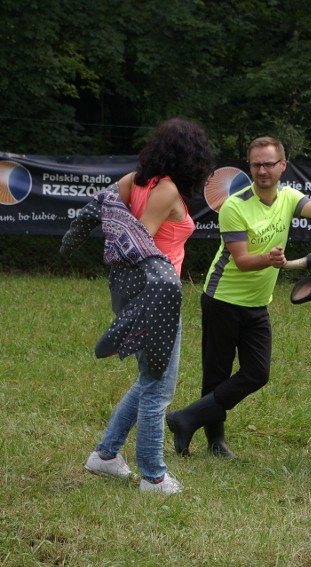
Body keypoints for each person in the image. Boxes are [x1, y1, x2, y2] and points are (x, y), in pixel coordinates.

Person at [166, 136, 311, 458]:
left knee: (257, 373)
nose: (262, 170)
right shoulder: (235, 206)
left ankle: (186, 418)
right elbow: (241, 260)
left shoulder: (289, 197)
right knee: (217, 372)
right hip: (222, 298)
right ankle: (215, 441)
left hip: (257, 303)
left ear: (282, 165)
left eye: (268, 164)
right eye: (256, 165)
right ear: (249, 167)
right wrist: (268, 259)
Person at [75, 118, 215, 493]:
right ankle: (153, 476)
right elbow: (140, 241)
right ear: (191, 157)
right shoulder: (166, 190)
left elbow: (102, 206)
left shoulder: (135, 180)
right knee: (159, 390)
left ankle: (106, 456)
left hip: (134, 294)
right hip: (156, 298)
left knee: (150, 380)